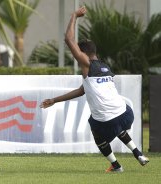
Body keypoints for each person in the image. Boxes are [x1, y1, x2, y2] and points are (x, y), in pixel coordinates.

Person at [40, 6, 149, 173]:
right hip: (127, 115)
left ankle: (116, 165)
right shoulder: (105, 67)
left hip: (108, 120)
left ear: (83, 53)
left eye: (78, 53)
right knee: (114, 121)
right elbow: (82, 91)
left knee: (96, 125)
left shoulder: (86, 65)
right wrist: (54, 100)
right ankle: (138, 154)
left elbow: (69, 40)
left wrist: (74, 16)